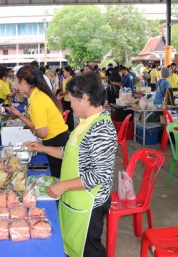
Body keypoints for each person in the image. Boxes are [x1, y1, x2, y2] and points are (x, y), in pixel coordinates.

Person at [25, 72, 117, 257]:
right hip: (74, 198)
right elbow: (69, 153)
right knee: (72, 246)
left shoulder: (102, 129)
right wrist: (43, 149)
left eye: (72, 100)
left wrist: (63, 185)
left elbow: (99, 175)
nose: (70, 105)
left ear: (85, 98)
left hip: (89, 202)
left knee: (89, 248)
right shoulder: (85, 123)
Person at [6, 65, 69, 178]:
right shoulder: (38, 95)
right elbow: (38, 127)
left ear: (24, 82)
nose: (16, 86)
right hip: (56, 140)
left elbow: (42, 133)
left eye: (17, 82)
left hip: (56, 143)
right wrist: (20, 116)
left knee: (58, 179)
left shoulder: (37, 99)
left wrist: (34, 132)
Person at [60, 66, 75, 131]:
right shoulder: (64, 79)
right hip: (64, 100)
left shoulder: (71, 79)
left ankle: (71, 130)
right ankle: (66, 129)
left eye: (64, 71)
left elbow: (68, 90)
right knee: (65, 115)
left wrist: (63, 93)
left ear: (68, 72)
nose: (63, 73)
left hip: (70, 100)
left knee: (70, 116)